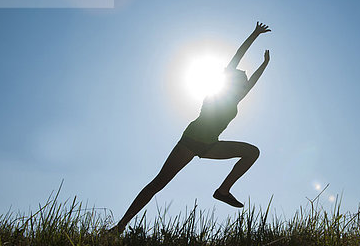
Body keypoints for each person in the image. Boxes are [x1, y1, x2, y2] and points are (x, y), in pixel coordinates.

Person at [110, 22, 271, 233]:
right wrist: (254, 34)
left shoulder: (237, 99)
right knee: (159, 183)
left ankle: (223, 191)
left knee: (252, 152)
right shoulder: (218, 90)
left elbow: (254, 81)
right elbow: (237, 56)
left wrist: (265, 63)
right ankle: (120, 226)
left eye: (244, 79)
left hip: (210, 145)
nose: (244, 79)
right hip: (191, 141)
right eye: (240, 76)